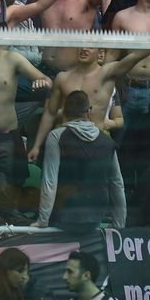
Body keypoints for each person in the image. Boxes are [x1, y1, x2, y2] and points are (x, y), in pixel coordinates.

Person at [0, 46, 52, 223]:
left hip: (7, 135)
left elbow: (47, 80)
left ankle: (9, 234)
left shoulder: (14, 59)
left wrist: (41, 81)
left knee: (8, 189)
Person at [28, 47, 150, 163]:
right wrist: (36, 146)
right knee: (65, 184)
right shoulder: (62, 78)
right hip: (66, 142)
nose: (84, 49)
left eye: (90, 47)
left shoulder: (108, 73)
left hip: (95, 141)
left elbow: (136, 56)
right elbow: (50, 112)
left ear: (99, 52)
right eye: (82, 45)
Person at [35, 91, 127, 230]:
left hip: (64, 215)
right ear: (88, 112)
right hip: (95, 216)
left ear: (64, 112)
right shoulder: (107, 141)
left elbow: (50, 181)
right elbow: (117, 184)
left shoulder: (56, 137)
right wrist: (119, 224)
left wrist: (43, 220)